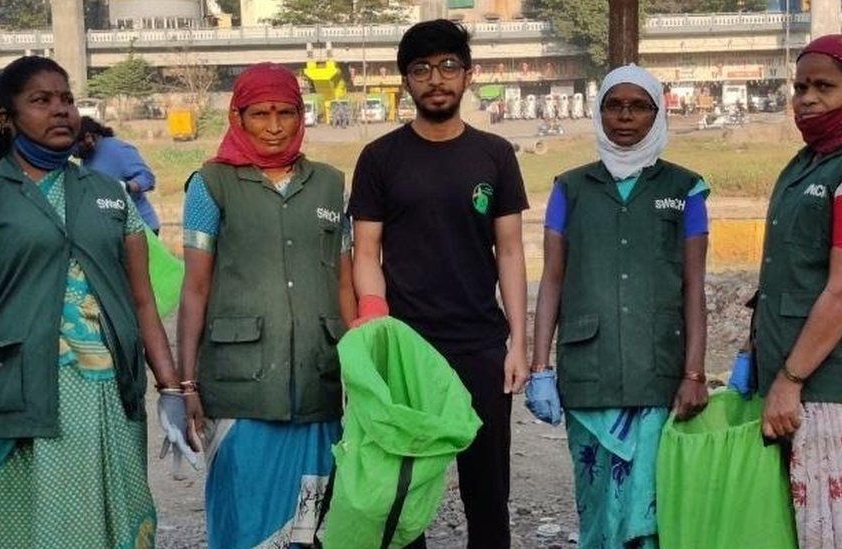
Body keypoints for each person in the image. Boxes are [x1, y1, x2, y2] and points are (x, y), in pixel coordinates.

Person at [0, 55, 195, 547]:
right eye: (41, 101)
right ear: (6, 118)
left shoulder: (110, 195)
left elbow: (142, 303)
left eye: (67, 99)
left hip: (112, 398)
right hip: (25, 402)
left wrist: (171, 391)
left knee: (120, 524)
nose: (61, 111)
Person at [348, 19, 529, 549]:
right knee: (404, 484)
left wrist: (517, 340)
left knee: (487, 486)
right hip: (407, 344)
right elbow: (365, 252)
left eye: (449, 66)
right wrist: (379, 326)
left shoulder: (495, 154)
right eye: (421, 69)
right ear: (406, 80)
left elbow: (512, 251)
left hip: (480, 342)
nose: (436, 79)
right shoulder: (380, 158)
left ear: (469, 76)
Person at [176, 62, 356, 549]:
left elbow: (344, 280)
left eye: (286, 113)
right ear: (237, 117)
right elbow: (194, 288)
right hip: (240, 389)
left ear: (302, 117)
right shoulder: (209, 186)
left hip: (319, 384)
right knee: (245, 518)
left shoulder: (329, 184)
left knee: (314, 522)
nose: (274, 126)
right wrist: (184, 383)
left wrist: (363, 366)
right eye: (260, 114)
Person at [531, 64, 710, 548]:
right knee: (596, 507)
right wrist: (540, 368)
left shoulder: (685, 189)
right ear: (599, 112)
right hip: (588, 371)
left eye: (638, 107)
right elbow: (551, 278)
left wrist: (695, 373)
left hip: (660, 371)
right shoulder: (569, 188)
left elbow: (694, 286)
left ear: (657, 114)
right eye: (614, 105)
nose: (625, 117)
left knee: (650, 509)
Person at [753, 35, 842, 548]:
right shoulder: (809, 161)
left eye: (824, 86)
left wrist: (790, 379)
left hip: (839, 386)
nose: (807, 98)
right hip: (803, 379)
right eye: (799, 87)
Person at [75, 116, 161, 234]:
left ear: (89, 137)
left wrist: (124, 187)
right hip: (114, 229)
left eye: (76, 147)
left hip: (141, 228)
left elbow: (148, 179)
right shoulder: (87, 155)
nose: (73, 153)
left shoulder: (118, 150)